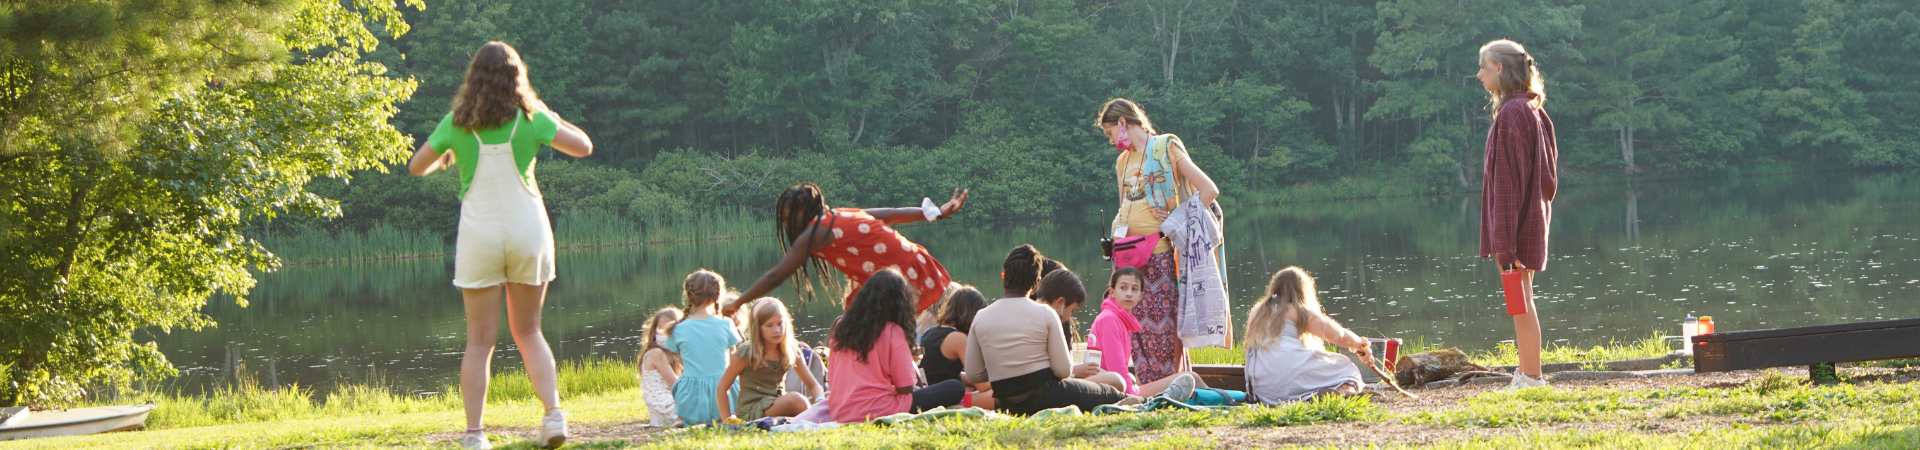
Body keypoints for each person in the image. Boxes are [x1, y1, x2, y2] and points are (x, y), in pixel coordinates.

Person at [407, 41, 592, 450]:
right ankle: (553, 414)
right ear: (517, 76)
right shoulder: (531, 118)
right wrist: (552, 116)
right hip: (529, 231)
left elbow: (417, 166)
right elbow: (583, 146)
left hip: (479, 236)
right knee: (529, 331)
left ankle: (474, 435)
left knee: (479, 342)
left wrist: (449, 154)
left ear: (473, 78)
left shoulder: (457, 122)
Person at [1096, 98, 1221, 384]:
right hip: (1126, 260)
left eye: (1109, 133)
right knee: (1135, 329)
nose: (1111, 140)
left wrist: (1175, 219)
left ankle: (1171, 386)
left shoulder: (1167, 147)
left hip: (1159, 254)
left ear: (1123, 123)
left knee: (1162, 329)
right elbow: (1123, 206)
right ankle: (1149, 388)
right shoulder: (1122, 161)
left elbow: (1208, 190)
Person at [728, 183, 969, 318]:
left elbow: (775, 275)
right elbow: (892, 213)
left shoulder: (815, 232)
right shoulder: (838, 214)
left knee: (859, 330)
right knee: (855, 326)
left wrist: (738, 302)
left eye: (787, 217)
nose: (784, 223)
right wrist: (937, 212)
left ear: (802, 213)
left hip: (901, 276)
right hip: (910, 264)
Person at [965, 245, 1146, 416]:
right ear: (1036, 281)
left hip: (1005, 403)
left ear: (1003, 275)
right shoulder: (1046, 312)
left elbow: (974, 374)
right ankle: (1145, 402)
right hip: (1045, 396)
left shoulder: (980, 316)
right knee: (1111, 391)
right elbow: (1063, 371)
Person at [1475, 39, 1558, 389]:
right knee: (1523, 301)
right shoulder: (1531, 109)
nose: (1478, 74)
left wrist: (1506, 245)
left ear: (1500, 68)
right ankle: (1528, 373)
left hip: (1515, 229)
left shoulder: (1513, 113)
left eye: (1483, 66)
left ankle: (1531, 377)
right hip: (1527, 223)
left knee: (1520, 303)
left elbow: (1509, 184)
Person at [827, 269, 968, 422]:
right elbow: (906, 387)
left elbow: (833, 381)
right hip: (879, 410)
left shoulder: (841, 331)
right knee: (955, 387)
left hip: (840, 412)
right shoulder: (892, 331)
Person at [1243, 267, 1372, 404]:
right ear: (1302, 290)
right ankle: (1342, 393)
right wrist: (1361, 344)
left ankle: (1312, 395)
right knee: (1346, 367)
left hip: (1265, 392)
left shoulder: (1257, 312)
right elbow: (1338, 335)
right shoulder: (1297, 310)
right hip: (1288, 374)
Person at [1077, 267, 1201, 397]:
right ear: (1112, 292)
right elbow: (1116, 369)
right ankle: (1222, 401)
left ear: (1141, 295)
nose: (1129, 293)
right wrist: (1134, 397)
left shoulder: (1119, 318)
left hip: (1116, 387)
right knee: (1192, 377)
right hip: (1113, 390)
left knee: (1191, 378)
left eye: (1134, 289)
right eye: (1123, 288)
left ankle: (1220, 400)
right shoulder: (1110, 319)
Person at [718, 298, 825, 421]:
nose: (776, 330)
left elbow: (813, 385)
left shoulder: (790, 349)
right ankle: (813, 418)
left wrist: (819, 400)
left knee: (830, 396)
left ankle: (813, 413)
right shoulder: (747, 352)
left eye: (780, 323)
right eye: (769, 325)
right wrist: (728, 421)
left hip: (778, 402)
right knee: (798, 400)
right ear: (757, 328)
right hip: (753, 410)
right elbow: (722, 387)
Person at [664, 270, 742, 426]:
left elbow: (680, 361)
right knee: (733, 380)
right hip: (724, 391)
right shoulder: (726, 323)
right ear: (718, 295)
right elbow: (734, 357)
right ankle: (721, 418)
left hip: (690, 396)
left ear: (689, 295)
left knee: (682, 381)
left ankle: (685, 418)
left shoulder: (677, 328)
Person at [918, 285, 994, 410]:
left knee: (971, 387)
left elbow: (943, 372)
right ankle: (961, 404)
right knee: (998, 396)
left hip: (932, 391)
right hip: (945, 398)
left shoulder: (931, 332)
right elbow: (983, 386)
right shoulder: (958, 338)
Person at [636, 308, 684, 428]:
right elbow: (677, 385)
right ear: (654, 330)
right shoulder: (656, 353)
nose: (664, 332)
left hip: (669, 403)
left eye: (670, 328)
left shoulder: (673, 354)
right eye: (661, 328)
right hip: (664, 406)